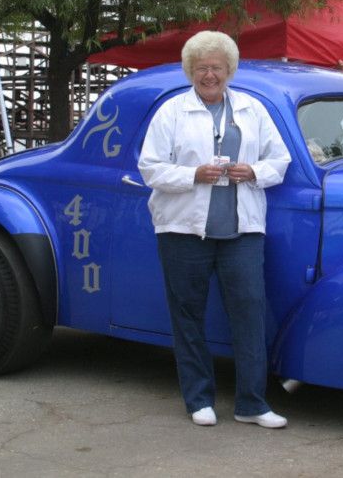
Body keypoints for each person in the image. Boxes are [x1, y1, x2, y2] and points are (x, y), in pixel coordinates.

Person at [138, 31, 292, 428]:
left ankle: (252, 404)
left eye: (217, 67)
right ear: (191, 71)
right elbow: (149, 167)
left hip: (242, 230)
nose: (210, 74)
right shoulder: (171, 111)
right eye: (202, 67)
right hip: (182, 230)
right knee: (187, 315)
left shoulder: (252, 109)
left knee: (250, 314)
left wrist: (254, 170)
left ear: (229, 70)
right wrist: (194, 174)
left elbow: (281, 159)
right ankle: (198, 399)